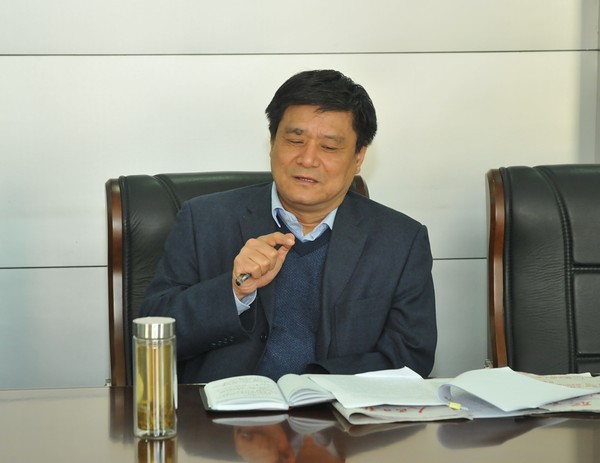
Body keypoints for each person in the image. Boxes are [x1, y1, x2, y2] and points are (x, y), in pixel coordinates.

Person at [140, 69, 437, 384]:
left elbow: (410, 356)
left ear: (359, 157)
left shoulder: (401, 241)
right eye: (295, 140)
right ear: (272, 142)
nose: (308, 159)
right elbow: (153, 335)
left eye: (329, 147)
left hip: (335, 411)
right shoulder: (203, 220)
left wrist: (312, 386)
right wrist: (234, 291)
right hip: (222, 410)